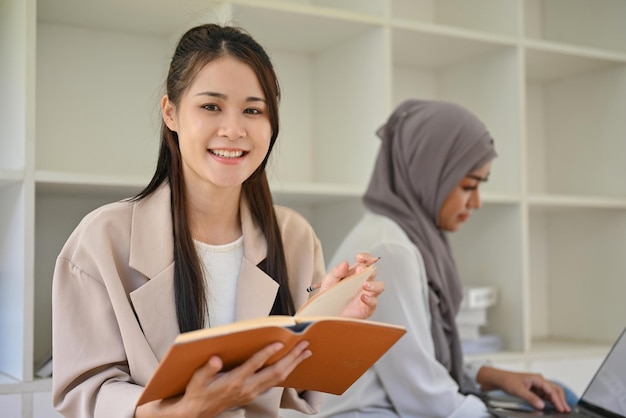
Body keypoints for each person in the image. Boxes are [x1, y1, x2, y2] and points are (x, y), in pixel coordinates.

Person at [51, 23, 383, 418]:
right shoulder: (102, 239)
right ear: (171, 113)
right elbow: (83, 395)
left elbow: (300, 395)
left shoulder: (294, 236)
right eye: (211, 106)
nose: (233, 129)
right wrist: (183, 410)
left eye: (253, 110)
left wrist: (329, 325)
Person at [312, 99, 574, 417]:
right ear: (427, 175)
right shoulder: (390, 250)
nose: (476, 202)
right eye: (468, 186)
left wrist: (491, 377)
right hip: (369, 413)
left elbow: (424, 360)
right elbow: (423, 395)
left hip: (397, 404)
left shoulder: (407, 236)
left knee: (563, 397)